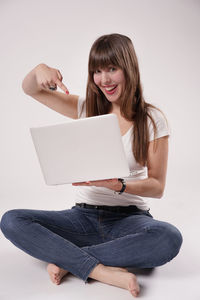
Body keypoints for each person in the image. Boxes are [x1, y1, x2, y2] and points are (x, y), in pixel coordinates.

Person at [0, 33, 182, 298]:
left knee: (168, 238)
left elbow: (157, 187)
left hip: (129, 220)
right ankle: (102, 271)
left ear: (128, 68)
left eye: (111, 69)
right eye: (97, 71)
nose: (104, 80)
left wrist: (119, 185)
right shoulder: (86, 107)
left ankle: (68, 260)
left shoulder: (152, 119)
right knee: (12, 220)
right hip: (81, 218)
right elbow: (31, 89)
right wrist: (39, 69)